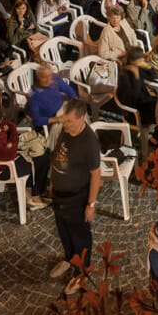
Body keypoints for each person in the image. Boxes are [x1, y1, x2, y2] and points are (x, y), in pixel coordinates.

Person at [49, 99, 102, 293]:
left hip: (76, 198)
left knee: (80, 237)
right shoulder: (67, 130)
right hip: (59, 195)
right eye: (65, 120)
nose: (65, 124)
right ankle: (69, 259)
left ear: (81, 118)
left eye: (70, 121)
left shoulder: (89, 142)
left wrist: (91, 204)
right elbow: (57, 154)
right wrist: (53, 182)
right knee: (64, 231)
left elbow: (96, 175)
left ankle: (81, 273)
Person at [0, 102, 50, 206]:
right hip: (5, 169)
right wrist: (12, 133)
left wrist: (10, 139)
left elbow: (7, 127)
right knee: (42, 159)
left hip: (9, 158)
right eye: (1, 119)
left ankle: (29, 188)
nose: (2, 121)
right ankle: (35, 197)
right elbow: (11, 151)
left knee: (43, 153)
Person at [27, 65, 78, 130]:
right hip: (53, 120)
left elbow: (68, 89)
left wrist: (75, 100)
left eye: (49, 75)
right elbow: (37, 121)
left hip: (62, 109)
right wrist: (57, 119)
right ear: (38, 77)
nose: (48, 80)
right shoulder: (34, 95)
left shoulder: (54, 78)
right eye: (44, 77)